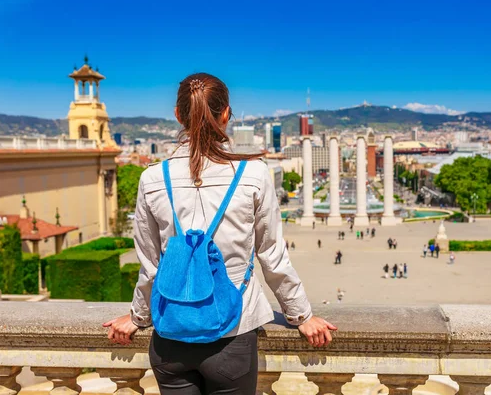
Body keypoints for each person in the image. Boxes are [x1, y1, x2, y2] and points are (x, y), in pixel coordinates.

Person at [103, 73, 335, 394]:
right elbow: (272, 256)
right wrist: (301, 315)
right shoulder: (253, 173)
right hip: (232, 337)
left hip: (170, 338)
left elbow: (152, 265)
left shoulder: (152, 178)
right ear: (226, 114)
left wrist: (138, 317)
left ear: (177, 115)